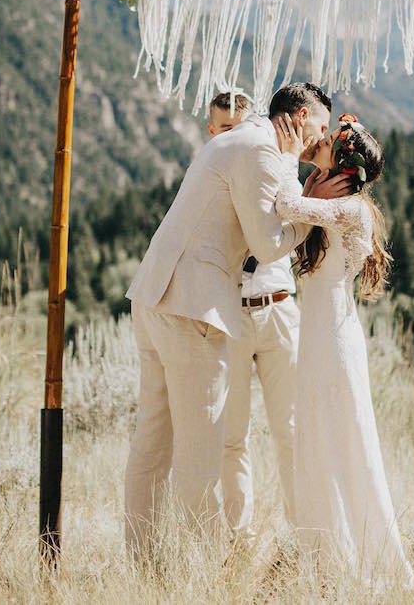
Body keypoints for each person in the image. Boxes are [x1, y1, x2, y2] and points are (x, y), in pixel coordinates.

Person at [123, 83, 338, 557]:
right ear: (302, 116)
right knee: (201, 457)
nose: (322, 139)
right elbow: (267, 245)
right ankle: (204, 571)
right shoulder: (260, 149)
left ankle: (143, 566)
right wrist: (317, 210)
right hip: (193, 308)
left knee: (152, 444)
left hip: (155, 295)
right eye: (322, 127)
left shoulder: (245, 142)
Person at [274, 111, 414, 585]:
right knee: (317, 437)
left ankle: (357, 559)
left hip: (333, 339)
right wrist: (312, 182)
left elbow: (282, 205)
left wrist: (299, 171)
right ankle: (326, 557)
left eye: (333, 139)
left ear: (344, 168)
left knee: (342, 439)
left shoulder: (350, 208)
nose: (325, 137)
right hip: (318, 335)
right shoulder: (332, 197)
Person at [206, 92, 301, 545]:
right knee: (232, 436)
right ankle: (237, 540)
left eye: (241, 128)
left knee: (293, 431)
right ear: (212, 133)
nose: (235, 137)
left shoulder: (277, 167)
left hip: (280, 309)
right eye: (225, 130)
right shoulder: (211, 180)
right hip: (233, 317)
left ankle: (306, 534)